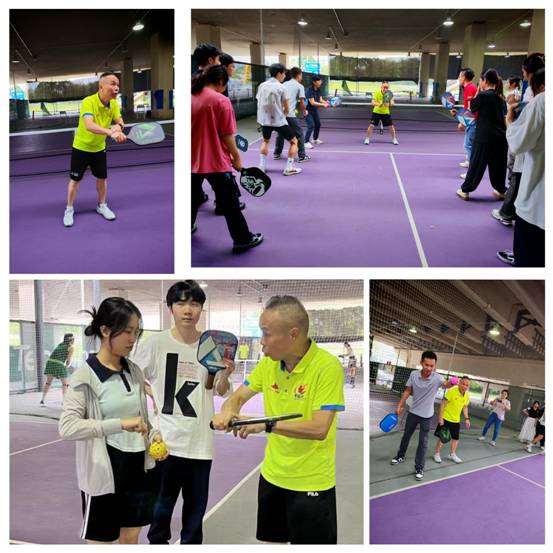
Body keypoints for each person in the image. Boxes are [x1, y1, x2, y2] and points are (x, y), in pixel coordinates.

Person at [211, 295, 345, 544]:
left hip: (311, 481)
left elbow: (319, 428)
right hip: (272, 476)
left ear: (293, 334)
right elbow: (237, 397)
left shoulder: (327, 367)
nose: (262, 342)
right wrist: (229, 411)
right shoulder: (268, 365)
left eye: (267, 333)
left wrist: (266, 424)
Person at [132, 280, 235, 544]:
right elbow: (132, 378)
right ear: (171, 308)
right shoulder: (155, 343)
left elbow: (220, 390)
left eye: (194, 304)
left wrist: (225, 375)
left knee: (194, 519)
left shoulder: (210, 345)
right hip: (165, 443)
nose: (188, 310)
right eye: (181, 303)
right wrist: (152, 394)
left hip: (200, 445)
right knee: (159, 516)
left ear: (201, 309)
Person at [58, 298, 155, 544]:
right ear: (105, 330)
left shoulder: (134, 370)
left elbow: (141, 419)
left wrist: (153, 436)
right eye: (127, 331)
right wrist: (118, 424)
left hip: (137, 468)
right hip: (104, 471)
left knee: (130, 539)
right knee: (101, 543)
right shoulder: (85, 376)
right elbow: (67, 427)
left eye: (136, 332)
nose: (133, 339)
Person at [191, 65, 263, 253]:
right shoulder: (220, 101)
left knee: (192, 198)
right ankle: (243, 239)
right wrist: (236, 158)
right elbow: (227, 135)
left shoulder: (189, 97)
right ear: (221, 82)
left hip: (191, 162)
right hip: (216, 162)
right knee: (230, 204)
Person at [63, 72, 126, 227]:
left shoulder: (114, 104)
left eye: (117, 84)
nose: (116, 87)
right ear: (101, 86)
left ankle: (101, 205)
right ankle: (69, 209)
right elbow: (89, 125)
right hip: (81, 148)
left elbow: (120, 121)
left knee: (102, 178)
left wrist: (118, 128)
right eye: (112, 83)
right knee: (75, 180)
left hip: (99, 149)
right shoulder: (88, 101)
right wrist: (111, 132)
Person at [496, 67, 545, 267]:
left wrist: (509, 118)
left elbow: (518, 143)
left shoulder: (541, 102)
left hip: (537, 205)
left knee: (530, 259)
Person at [492, 54, 544, 226]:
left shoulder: (538, 99)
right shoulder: (533, 94)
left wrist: (510, 117)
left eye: (524, 71)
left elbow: (518, 142)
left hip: (528, 152)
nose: (523, 75)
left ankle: (507, 213)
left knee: (516, 177)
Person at [391, 351, 452, 481]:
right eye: (426, 365)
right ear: (421, 363)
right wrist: (400, 405)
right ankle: (400, 456)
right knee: (406, 436)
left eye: (432, 366)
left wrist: (452, 382)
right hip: (413, 412)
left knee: (423, 442)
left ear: (435, 366)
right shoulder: (413, 375)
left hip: (427, 416)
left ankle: (419, 467)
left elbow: (446, 384)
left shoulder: (437, 378)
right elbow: (408, 390)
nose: (429, 368)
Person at [456, 69, 507, 201]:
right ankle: (501, 190)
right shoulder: (501, 98)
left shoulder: (483, 95)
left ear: (485, 81)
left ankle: (465, 190)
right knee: (498, 166)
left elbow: (472, 108)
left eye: (481, 80)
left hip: (484, 137)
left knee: (476, 165)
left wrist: (479, 91)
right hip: (501, 138)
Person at [256, 63, 302, 176]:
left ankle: (261, 167)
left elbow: (259, 101)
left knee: (265, 141)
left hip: (265, 121)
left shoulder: (262, 85)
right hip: (279, 121)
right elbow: (287, 108)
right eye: (284, 73)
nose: (285, 76)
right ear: (279, 73)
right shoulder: (282, 87)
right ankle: (289, 168)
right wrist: (283, 116)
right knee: (294, 141)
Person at [274, 67, 310, 163]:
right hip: (290, 114)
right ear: (298, 75)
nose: (301, 76)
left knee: (281, 133)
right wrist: (305, 111)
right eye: (301, 75)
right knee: (300, 134)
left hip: (281, 114)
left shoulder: (284, 84)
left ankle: (277, 154)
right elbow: (302, 102)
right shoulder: (300, 86)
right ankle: (302, 156)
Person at [433, 376, 471, 463]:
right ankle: (436, 453)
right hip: (446, 418)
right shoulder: (452, 391)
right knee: (442, 438)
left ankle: (452, 454)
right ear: (459, 382)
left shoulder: (467, 395)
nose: (464, 386)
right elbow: (443, 404)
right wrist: (440, 418)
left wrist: (467, 418)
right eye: (463, 384)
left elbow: (465, 407)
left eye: (467, 385)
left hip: (456, 420)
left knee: (455, 438)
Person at [454, 68, 477, 175]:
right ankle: (468, 161)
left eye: (460, 76)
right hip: (472, 120)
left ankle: (471, 171)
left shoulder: (470, 88)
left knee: (468, 145)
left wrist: (462, 122)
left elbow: (471, 109)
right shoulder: (468, 87)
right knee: (469, 144)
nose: (458, 78)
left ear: (464, 77)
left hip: (473, 121)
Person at [40, 333, 75, 404]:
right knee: (65, 384)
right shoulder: (71, 347)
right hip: (59, 363)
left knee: (48, 382)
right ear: (71, 339)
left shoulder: (60, 345)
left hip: (50, 363)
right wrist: (66, 367)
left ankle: (42, 399)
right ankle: (64, 401)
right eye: (73, 339)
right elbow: (68, 360)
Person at [364, 81, 398, 145]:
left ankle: (394, 139)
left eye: (387, 87)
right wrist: (378, 104)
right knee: (371, 125)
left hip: (386, 113)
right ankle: (367, 138)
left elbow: (393, 103)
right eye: (384, 87)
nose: (385, 88)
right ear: (381, 87)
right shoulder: (377, 93)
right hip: (376, 112)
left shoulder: (389, 94)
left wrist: (389, 104)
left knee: (391, 126)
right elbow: (372, 102)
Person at [304, 76, 329, 148]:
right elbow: (312, 103)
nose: (321, 82)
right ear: (314, 82)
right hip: (307, 111)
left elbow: (320, 100)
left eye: (321, 81)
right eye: (319, 81)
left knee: (318, 124)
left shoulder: (318, 89)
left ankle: (315, 139)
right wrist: (323, 105)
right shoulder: (309, 91)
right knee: (311, 125)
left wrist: (326, 102)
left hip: (314, 110)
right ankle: (305, 142)